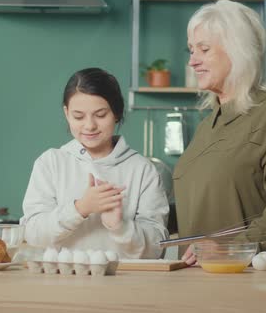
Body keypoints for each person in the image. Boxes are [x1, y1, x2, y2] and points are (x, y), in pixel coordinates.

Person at [175, 0, 266, 265]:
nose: (192, 61)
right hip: (197, 275)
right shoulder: (207, 125)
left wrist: (233, 248)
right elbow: (203, 201)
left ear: (238, 52)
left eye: (203, 49)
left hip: (249, 273)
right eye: (191, 50)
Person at [20, 67, 169, 259]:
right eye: (78, 116)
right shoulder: (51, 162)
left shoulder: (142, 169)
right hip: (61, 283)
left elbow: (158, 248)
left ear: (116, 112)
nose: (89, 125)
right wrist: (79, 209)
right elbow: (32, 235)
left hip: (126, 286)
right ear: (66, 113)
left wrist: (119, 226)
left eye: (100, 115)